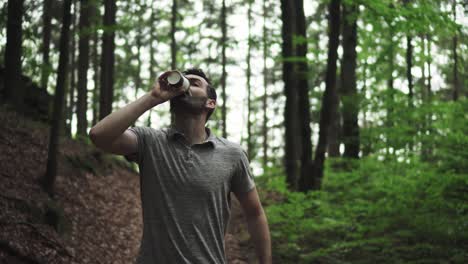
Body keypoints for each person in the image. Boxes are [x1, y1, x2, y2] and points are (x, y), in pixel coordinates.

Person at [89, 68, 272, 264]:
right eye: (185, 81)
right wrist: (153, 97)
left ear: (210, 103)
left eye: (195, 83)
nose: (186, 85)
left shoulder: (232, 154)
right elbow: (98, 136)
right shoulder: (150, 141)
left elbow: (255, 213)